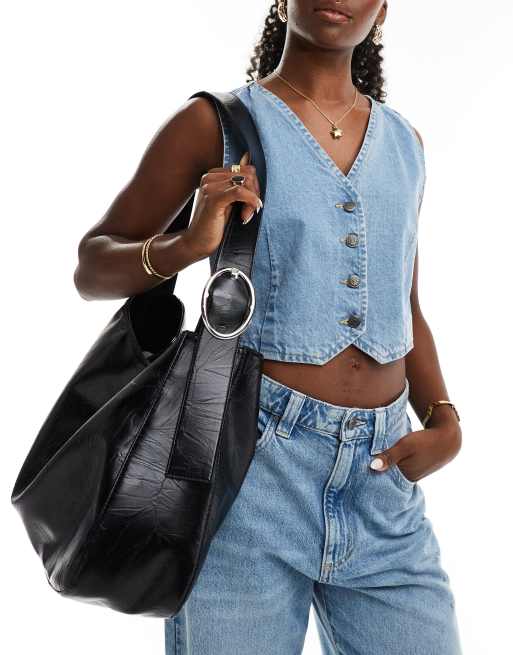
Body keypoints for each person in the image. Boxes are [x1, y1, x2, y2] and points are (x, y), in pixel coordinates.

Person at [73, 1, 463, 652]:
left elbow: (405, 304)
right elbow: (92, 266)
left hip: (382, 481)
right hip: (246, 472)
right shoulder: (214, 124)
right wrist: (185, 246)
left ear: (383, 10)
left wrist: (443, 417)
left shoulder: (405, 143)